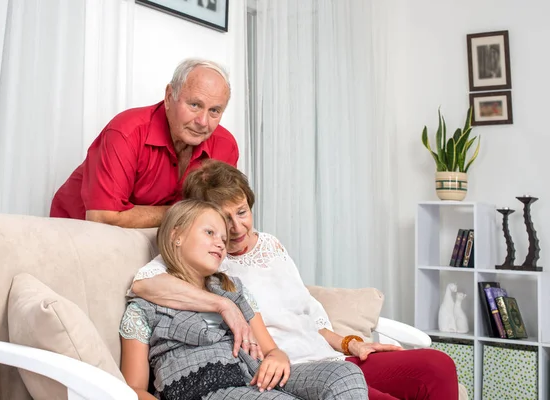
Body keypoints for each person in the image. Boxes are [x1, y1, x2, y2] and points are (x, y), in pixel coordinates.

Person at [130, 160, 460, 400]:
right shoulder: (206, 261)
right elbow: (144, 284)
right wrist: (222, 305)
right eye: (220, 220)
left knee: (437, 366)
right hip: (288, 371)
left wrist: (351, 342)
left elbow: (306, 310)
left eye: (241, 211)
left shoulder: (270, 244)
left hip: (325, 358)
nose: (235, 229)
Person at [120, 199, 369, 399]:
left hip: (256, 377)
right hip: (203, 390)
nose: (220, 244)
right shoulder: (145, 306)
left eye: (223, 239)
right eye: (210, 233)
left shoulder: (232, 288)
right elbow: (133, 388)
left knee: (344, 374)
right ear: (177, 235)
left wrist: (276, 357)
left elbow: (271, 349)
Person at [50, 58, 239, 228]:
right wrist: (187, 212)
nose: (203, 122)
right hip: (77, 232)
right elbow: (102, 217)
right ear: (168, 96)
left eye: (214, 110)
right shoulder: (126, 132)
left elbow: (222, 211)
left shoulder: (225, 146)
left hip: (160, 238)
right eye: (194, 105)